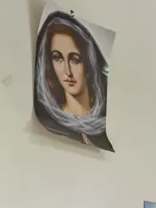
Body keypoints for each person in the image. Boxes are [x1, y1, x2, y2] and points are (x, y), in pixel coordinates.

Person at [33, 10, 112, 150]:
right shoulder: (50, 123)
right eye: (57, 58)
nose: (67, 72)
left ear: (89, 62)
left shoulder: (106, 124)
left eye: (75, 60)